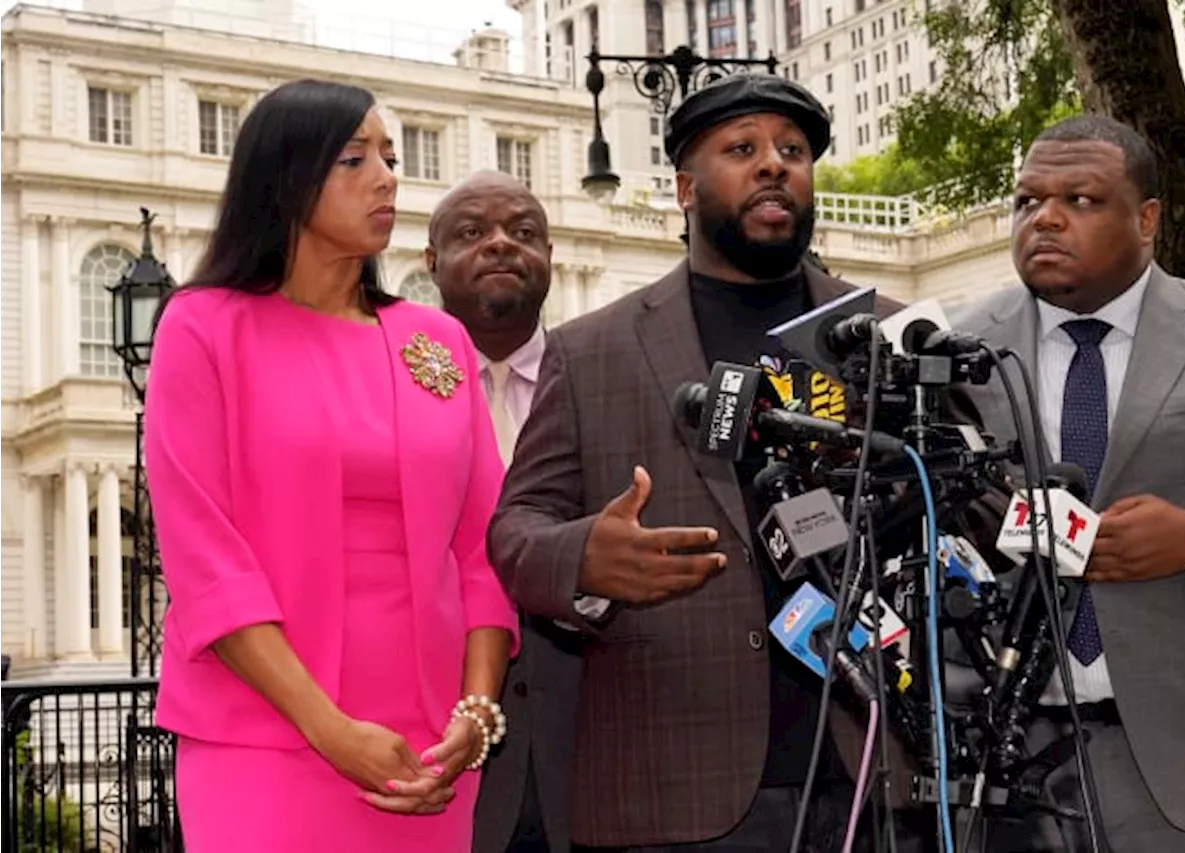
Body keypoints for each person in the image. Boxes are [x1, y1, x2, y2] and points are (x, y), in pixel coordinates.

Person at [488, 74, 946, 852]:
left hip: (871, 772)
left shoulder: (888, 337)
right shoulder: (591, 350)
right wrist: (588, 562)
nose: (775, 165)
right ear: (684, 190)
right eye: (742, 149)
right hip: (673, 786)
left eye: (793, 151)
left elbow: (965, 507)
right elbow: (516, 532)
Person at [144, 79, 519, 852]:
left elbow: (483, 549)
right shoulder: (202, 327)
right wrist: (329, 727)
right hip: (261, 738)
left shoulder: (437, 340)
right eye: (355, 158)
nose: (388, 175)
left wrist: (476, 716)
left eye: (389, 155)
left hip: (431, 755)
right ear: (285, 178)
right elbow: (205, 563)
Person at [954, 114, 1185, 852]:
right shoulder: (957, 350)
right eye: (1027, 201)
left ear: (1148, 218)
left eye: (1081, 199)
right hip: (1007, 766)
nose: (1045, 219)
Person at [426, 170, 582, 853]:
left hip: (585, 750)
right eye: (471, 232)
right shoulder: (380, 389)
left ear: (551, 254)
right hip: (430, 743)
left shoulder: (600, 376)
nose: (499, 245)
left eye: (523, 233)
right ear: (430, 262)